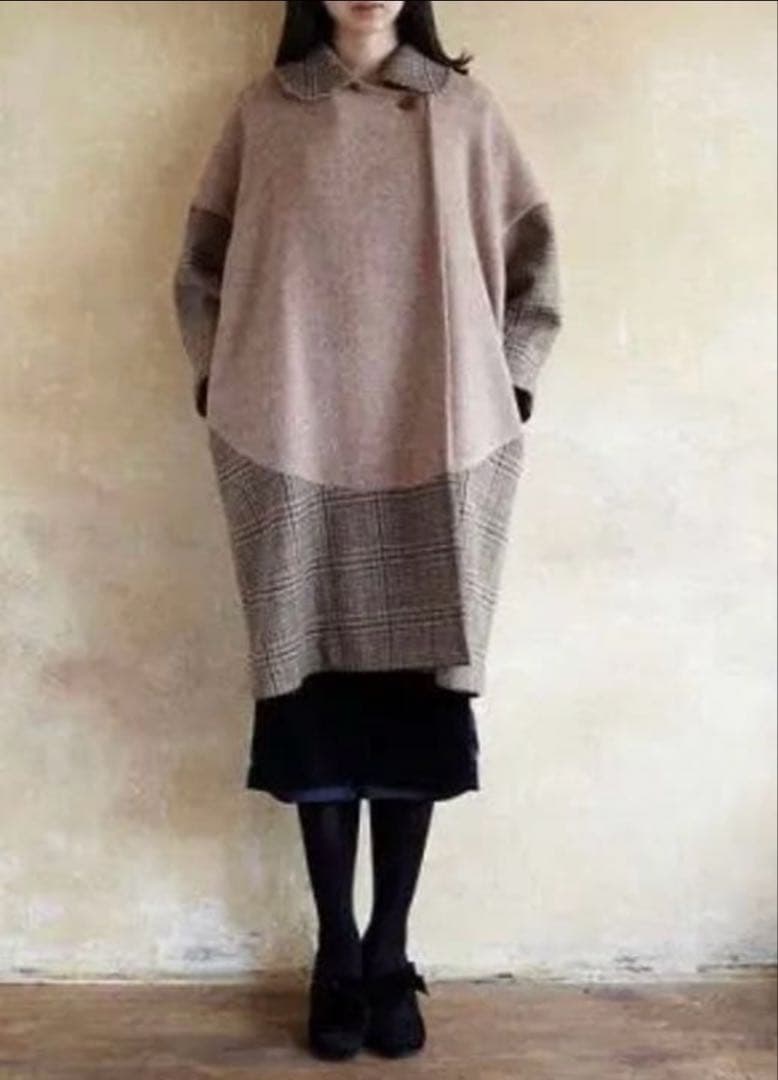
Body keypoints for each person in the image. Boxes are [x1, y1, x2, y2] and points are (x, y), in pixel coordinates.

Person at [172, 0, 562, 1062]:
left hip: (436, 442)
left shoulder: (465, 112)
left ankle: (390, 951)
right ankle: (334, 955)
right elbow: (201, 264)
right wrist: (222, 383)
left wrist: (511, 388)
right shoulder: (265, 113)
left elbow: (534, 264)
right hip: (290, 439)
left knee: (413, 706)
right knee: (312, 705)